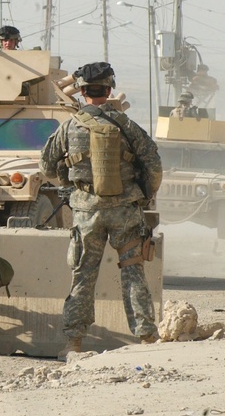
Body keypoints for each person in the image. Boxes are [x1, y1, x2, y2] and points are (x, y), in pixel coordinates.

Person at [39, 62, 163, 360]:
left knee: (83, 276)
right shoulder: (128, 125)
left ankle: (74, 344)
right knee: (133, 271)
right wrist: (144, 197)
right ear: (109, 91)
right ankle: (146, 337)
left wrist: (71, 181)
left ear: (81, 92)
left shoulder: (69, 126)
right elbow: (154, 166)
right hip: (125, 210)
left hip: (86, 212)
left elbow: (46, 166)